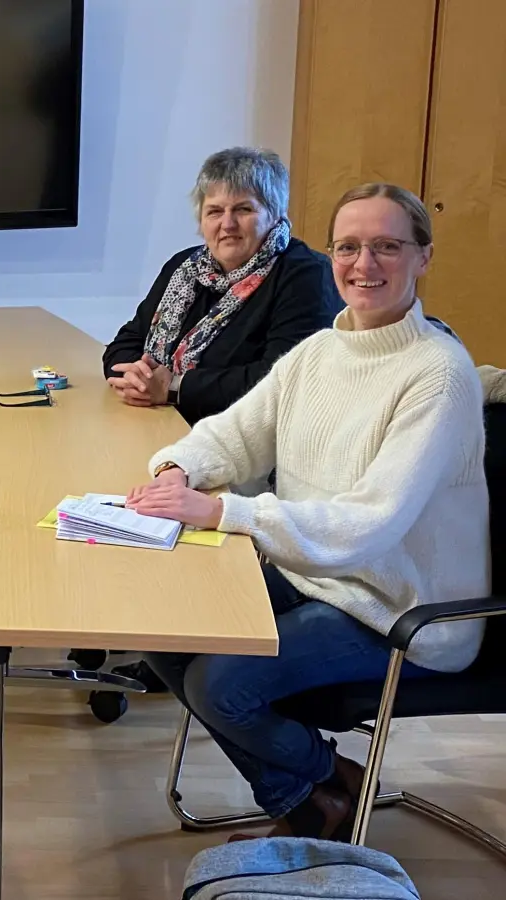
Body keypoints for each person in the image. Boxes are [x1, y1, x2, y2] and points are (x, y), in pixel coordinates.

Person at [127, 183, 488, 842]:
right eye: (348, 247)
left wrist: (223, 512)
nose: (364, 264)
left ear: (423, 258)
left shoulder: (438, 375)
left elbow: (368, 524)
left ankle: (315, 786)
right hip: (313, 573)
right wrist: (179, 468)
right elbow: (236, 433)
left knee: (221, 682)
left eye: (387, 247)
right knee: (158, 619)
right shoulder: (323, 351)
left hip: (396, 606)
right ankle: (314, 792)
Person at [103, 147, 339, 425]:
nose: (228, 223)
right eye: (214, 211)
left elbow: (284, 380)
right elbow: (127, 340)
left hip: (247, 448)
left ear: (275, 216)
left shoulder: (307, 274)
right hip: (159, 424)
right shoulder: (184, 267)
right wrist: (137, 378)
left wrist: (174, 387)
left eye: (243, 209)